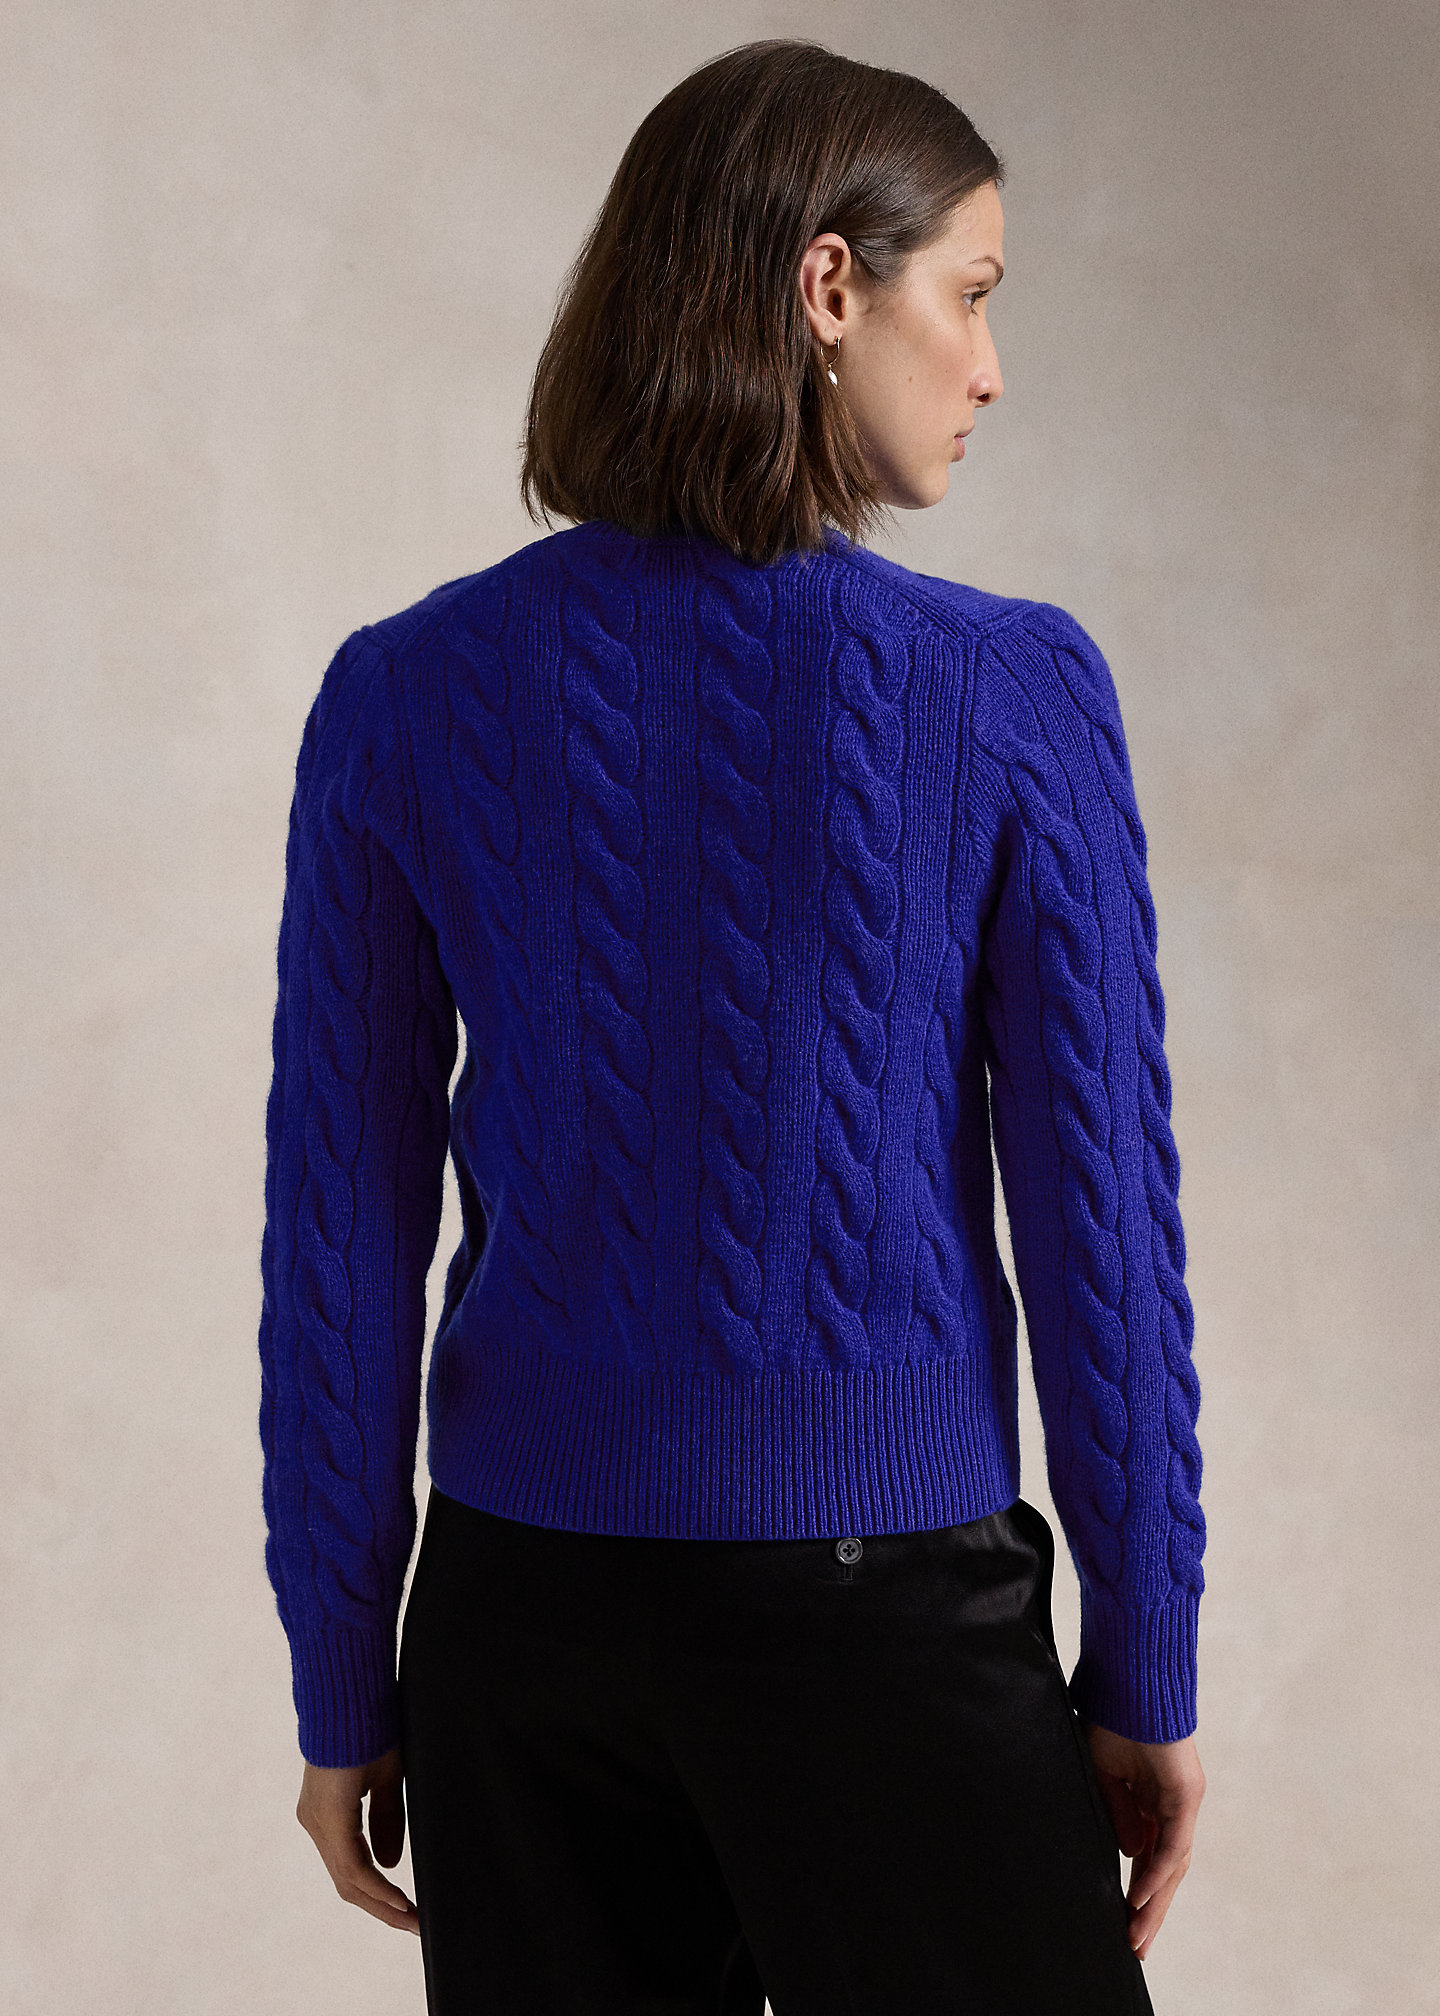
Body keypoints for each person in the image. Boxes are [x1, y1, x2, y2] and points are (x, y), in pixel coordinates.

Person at [258, 37, 1207, 2014]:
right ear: (829, 284)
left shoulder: (403, 692)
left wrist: (347, 1677)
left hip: (521, 1624)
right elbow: (1099, 1231)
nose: (990, 368)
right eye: (973, 294)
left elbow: (338, 1238)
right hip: (883, 1618)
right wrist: (1148, 1663)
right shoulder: (1010, 694)